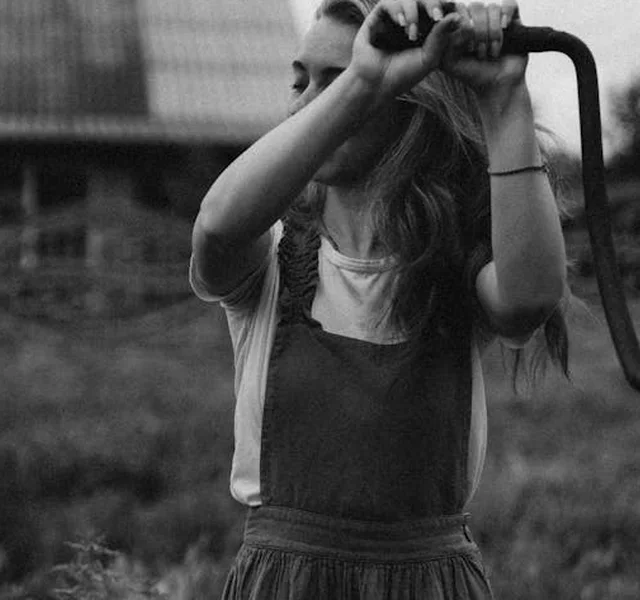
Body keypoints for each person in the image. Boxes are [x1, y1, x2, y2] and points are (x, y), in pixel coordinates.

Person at [190, 0, 569, 596]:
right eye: (301, 82)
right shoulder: (270, 257)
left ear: (411, 98)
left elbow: (529, 298)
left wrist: (504, 100)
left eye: (334, 80)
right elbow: (216, 226)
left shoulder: (450, 262)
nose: (309, 101)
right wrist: (362, 83)